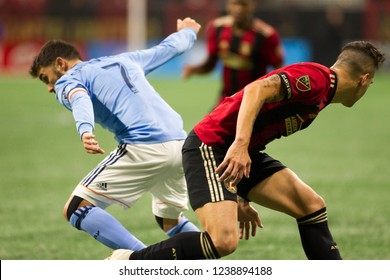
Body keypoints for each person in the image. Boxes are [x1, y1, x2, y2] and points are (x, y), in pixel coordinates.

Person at [107, 40, 385, 260]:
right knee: (223, 242)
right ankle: (129, 261)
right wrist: (240, 145)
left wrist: (238, 189)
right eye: (370, 84)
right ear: (363, 79)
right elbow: (256, 89)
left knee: (311, 206)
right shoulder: (318, 79)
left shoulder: (323, 94)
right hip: (211, 145)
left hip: (243, 154)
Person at [29, 17, 202, 252]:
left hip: (143, 146)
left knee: (76, 208)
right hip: (180, 145)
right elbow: (169, 49)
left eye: (45, 78)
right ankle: (211, 265)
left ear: (60, 63)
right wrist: (189, 32)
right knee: (169, 219)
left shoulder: (68, 79)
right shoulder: (124, 59)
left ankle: (144, 263)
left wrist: (85, 130)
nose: (49, 87)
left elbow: (78, 96)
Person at [182, 0, 284, 105]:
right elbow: (210, 64)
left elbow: (279, 71)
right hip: (226, 99)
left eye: (243, 4)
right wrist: (194, 69)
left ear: (252, 6)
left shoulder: (266, 35)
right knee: (209, 121)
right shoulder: (217, 28)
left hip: (255, 102)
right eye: (235, 3)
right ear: (228, 5)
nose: (238, 9)